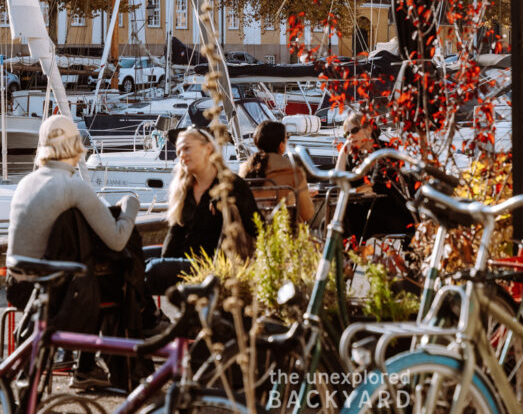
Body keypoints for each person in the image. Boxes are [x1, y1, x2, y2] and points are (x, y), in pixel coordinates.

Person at [8, 114, 140, 390]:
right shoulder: (72, 187)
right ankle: (99, 365)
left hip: (20, 288)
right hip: (56, 292)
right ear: (76, 146)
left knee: (92, 272)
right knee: (112, 277)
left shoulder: (24, 183)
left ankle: (85, 366)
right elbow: (116, 240)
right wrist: (130, 206)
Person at [145, 127, 259, 297]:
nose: (181, 155)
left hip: (213, 264)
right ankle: (147, 313)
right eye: (178, 151)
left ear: (208, 149)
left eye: (187, 148)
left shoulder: (232, 185)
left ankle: (146, 316)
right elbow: (176, 231)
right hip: (185, 257)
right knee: (136, 259)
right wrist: (165, 260)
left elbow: (257, 227)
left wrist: (229, 203)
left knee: (154, 269)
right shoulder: (186, 189)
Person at [335, 112, 415, 242]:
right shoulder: (354, 156)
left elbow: (376, 186)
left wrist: (354, 190)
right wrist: (343, 153)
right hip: (367, 210)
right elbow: (338, 183)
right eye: (347, 134)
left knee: (347, 214)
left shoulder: (386, 151)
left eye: (354, 130)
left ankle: (348, 258)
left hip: (392, 212)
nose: (350, 136)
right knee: (334, 215)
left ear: (368, 129)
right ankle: (342, 257)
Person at [239, 120, 315, 223]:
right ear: (281, 146)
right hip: (284, 233)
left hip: (253, 232)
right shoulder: (293, 171)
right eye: (285, 138)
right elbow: (307, 213)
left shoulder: (244, 169)